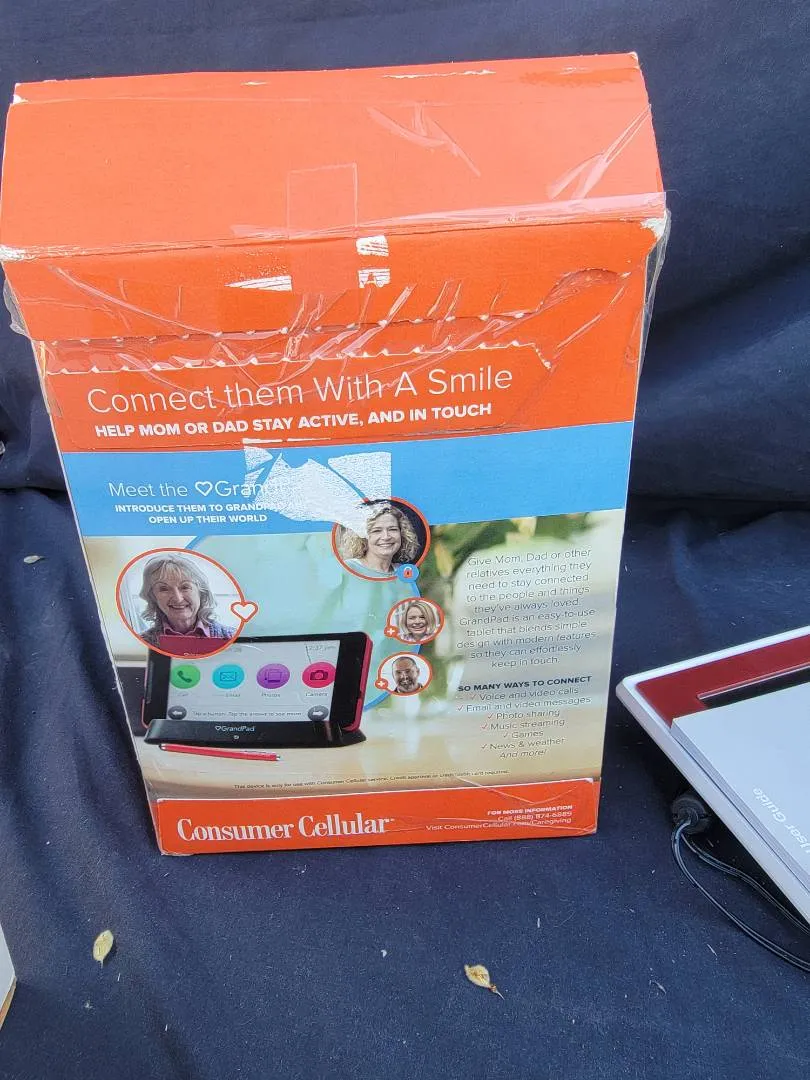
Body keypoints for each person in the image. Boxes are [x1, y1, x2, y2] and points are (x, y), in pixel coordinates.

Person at [137, 554, 236, 646]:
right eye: (164, 589)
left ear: (201, 592)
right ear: (153, 597)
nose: (178, 599)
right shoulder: (141, 644)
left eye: (185, 587)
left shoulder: (233, 638)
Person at [336, 502, 421, 578]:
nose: (386, 537)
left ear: (402, 534)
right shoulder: (347, 569)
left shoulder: (404, 572)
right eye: (377, 531)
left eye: (392, 529)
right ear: (362, 536)